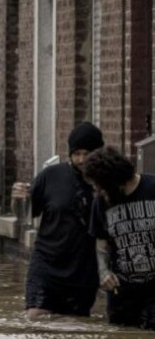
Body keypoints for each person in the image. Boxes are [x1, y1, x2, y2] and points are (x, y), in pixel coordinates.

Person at [11, 122, 103, 319]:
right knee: (35, 316)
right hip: (46, 265)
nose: (81, 159)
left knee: (74, 325)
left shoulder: (105, 184)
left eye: (87, 153)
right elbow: (25, 215)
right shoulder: (50, 176)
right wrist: (17, 199)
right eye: (76, 153)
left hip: (82, 270)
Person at [85, 146, 155, 330]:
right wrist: (103, 273)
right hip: (122, 292)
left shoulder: (152, 188)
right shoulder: (101, 202)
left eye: (101, 187)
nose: (99, 192)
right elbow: (101, 242)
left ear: (115, 181)